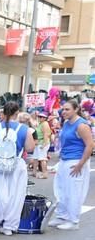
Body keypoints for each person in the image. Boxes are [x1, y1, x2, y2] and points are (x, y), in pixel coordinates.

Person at [0, 101, 35, 236]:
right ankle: (9, 227)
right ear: (17, 114)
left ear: (3, 113)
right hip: (16, 166)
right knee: (15, 197)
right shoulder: (24, 129)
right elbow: (30, 148)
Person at [48, 99, 94, 230]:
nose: (64, 112)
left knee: (73, 191)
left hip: (76, 160)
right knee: (61, 190)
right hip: (64, 160)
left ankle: (73, 221)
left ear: (76, 109)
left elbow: (90, 145)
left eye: (67, 109)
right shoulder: (67, 123)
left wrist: (81, 164)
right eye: (63, 109)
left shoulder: (81, 125)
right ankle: (62, 216)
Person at [30, 112, 52, 179]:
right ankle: (34, 172)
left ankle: (45, 174)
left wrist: (44, 144)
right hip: (38, 143)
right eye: (39, 116)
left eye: (42, 117)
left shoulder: (45, 124)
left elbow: (46, 134)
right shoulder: (40, 124)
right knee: (36, 158)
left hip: (42, 143)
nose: (40, 118)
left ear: (45, 118)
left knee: (42, 159)